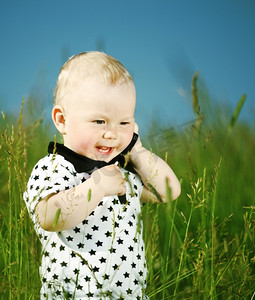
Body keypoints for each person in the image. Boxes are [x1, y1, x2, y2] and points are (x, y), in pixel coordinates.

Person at [24, 51, 181, 299]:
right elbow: (48, 215)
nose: (112, 134)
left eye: (124, 123)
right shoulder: (55, 168)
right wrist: (97, 187)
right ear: (62, 120)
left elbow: (168, 191)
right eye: (99, 121)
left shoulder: (119, 174)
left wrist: (137, 151)